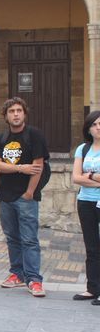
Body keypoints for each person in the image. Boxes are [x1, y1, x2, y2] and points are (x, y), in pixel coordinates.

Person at [0, 97, 49, 297]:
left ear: (24, 113)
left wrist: (29, 193)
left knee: (29, 239)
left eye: (19, 110)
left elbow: (38, 166)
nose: (15, 114)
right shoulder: (1, 137)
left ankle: (34, 279)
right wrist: (20, 168)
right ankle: (17, 274)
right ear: (5, 116)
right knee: (12, 238)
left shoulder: (34, 135)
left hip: (25, 196)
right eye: (11, 111)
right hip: (5, 195)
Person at [71, 110, 100, 305]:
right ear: (88, 128)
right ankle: (92, 289)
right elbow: (75, 178)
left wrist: (86, 177)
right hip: (86, 202)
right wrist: (93, 178)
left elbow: (82, 177)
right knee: (91, 248)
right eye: (95, 124)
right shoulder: (82, 149)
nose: (98, 127)